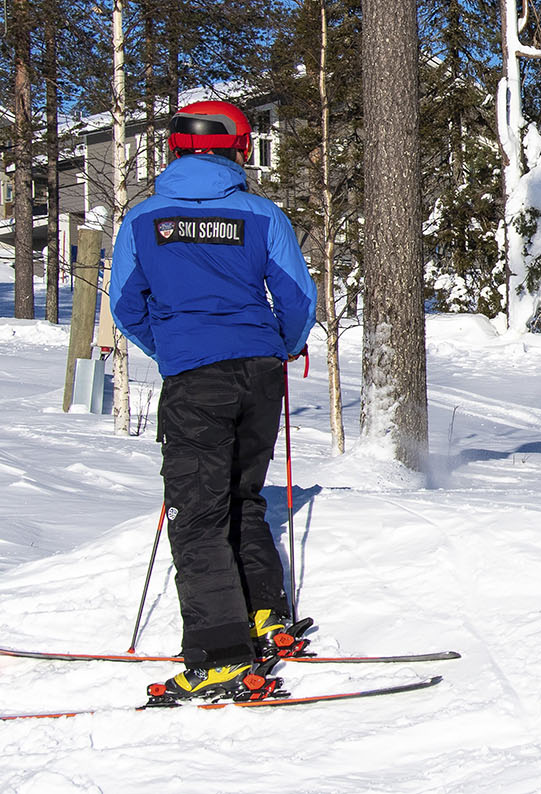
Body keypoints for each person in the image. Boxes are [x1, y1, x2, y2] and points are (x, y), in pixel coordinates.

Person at [109, 99, 318, 703]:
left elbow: (126, 303)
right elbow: (297, 297)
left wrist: (171, 347)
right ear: (239, 149)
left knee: (197, 512)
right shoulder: (262, 215)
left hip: (194, 373)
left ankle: (222, 656)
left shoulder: (143, 220)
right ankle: (266, 620)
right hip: (258, 371)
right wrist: (279, 345)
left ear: (175, 149)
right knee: (241, 496)